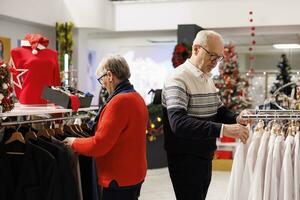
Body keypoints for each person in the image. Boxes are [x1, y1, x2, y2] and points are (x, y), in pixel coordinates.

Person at [161, 30, 251, 200]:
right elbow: (178, 123)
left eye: (219, 57)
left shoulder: (206, 77)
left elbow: (217, 109)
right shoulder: (178, 78)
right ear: (196, 49)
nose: (216, 62)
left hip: (204, 154)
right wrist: (224, 130)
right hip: (185, 158)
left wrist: (236, 118)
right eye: (212, 56)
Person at [64, 55, 148, 200]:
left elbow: (99, 145)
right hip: (134, 174)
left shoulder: (119, 102)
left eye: (101, 78)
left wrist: (74, 142)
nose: (102, 84)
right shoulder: (137, 97)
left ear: (109, 75)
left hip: (118, 178)